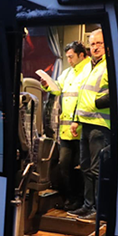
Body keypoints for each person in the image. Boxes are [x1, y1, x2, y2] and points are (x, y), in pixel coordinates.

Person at [41, 41, 91, 211]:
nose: (68, 60)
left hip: (82, 128)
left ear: (81, 55)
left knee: (81, 168)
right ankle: (71, 198)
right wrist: (47, 85)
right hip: (66, 129)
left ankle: (81, 200)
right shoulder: (68, 72)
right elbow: (58, 89)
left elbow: (85, 99)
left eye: (71, 56)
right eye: (67, 57)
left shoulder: (89, 70)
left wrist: (77, 120)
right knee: (64, 165)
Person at [69, 29, 111, 222]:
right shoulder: (88, 66)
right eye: (92, 44)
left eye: (99, 44)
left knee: (97, 170)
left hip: (100, 125)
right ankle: (87, 206)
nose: (95, 47)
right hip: (85, 123)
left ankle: (98, 208)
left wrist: (99, 102)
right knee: (85, 167)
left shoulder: (110, 65)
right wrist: (75, 120)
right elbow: (81, 93)